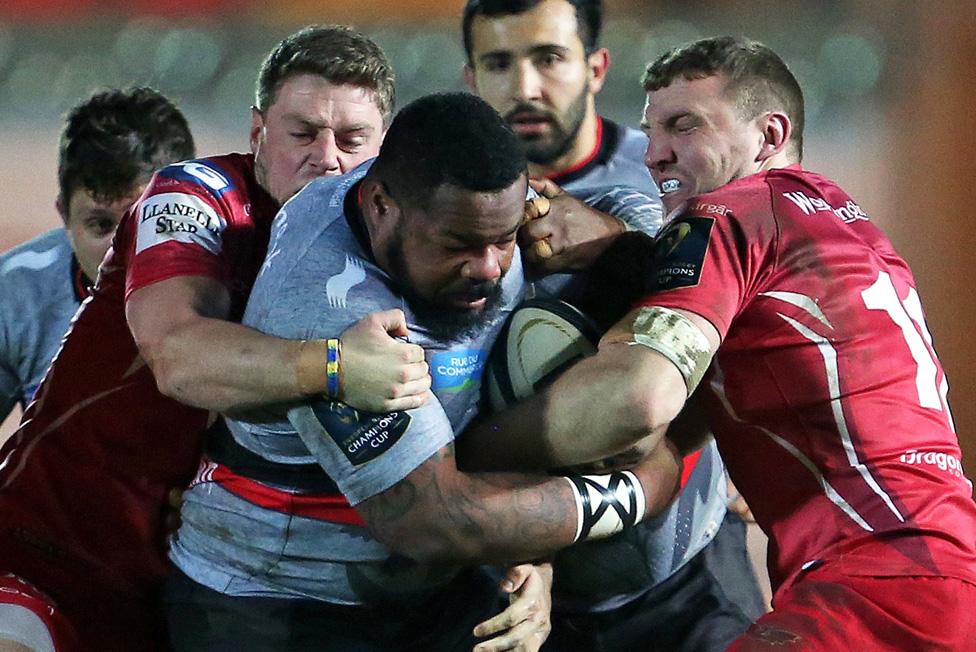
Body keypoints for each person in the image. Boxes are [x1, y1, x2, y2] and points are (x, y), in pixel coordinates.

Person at [473, 36, 976, 649]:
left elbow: (636, 402)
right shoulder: (843, 226)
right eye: (651, 131)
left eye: (684, 125)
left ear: (768, 136)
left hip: (874, 582)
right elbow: (669, 441)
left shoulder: (727, 214)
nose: (655, 155)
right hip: (938, 565)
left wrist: (470, 449)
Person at [165, 92, 684, 652]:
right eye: (459, 245)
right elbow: (434, 522)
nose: (488, 267)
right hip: (279, 605)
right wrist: (647, 484)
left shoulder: (463, 199)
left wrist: (612, 234)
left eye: (505, 239)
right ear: (381, 206)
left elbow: (638, 213)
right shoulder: (332, 312)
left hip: (430, 591)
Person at [0, 25, 428, 652]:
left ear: (383, 149)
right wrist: (334, 365)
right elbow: (177, 355)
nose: (327, 157)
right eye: (302, 133)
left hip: (184, 593)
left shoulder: (397, 245)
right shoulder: (199, 197)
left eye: (353, 140)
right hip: (48, 557)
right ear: (259, 134)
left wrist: (522, 560)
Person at [461, 1, 763, 648]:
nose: (525, 87)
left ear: (596, 67)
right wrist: (519, 556)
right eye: (499, 62)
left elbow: (750, 311)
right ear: (469, 78)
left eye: (548, 58)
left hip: (691, 585)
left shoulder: (678, 172)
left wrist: (621, 243)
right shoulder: (439, 198)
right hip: (531, 591)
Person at [0, 87, 195, 423]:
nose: (122, 251)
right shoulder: (19, 294)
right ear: (65, 216)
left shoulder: (250, 282)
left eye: (147, 221)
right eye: (101, 225)